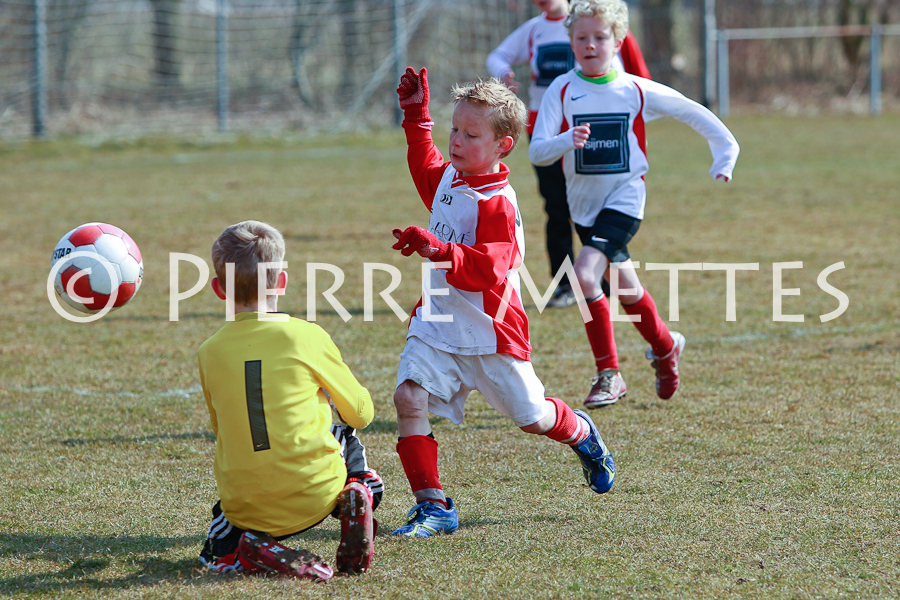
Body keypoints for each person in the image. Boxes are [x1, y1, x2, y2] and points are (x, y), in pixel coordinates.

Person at [388, 66, 615, 538]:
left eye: (471, 134)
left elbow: (491, 269)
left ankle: (582, 433)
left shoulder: (499, 202)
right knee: (408, 397)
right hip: (438, 321)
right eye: (454, 129)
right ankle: (434, 506)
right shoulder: (453, 176)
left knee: (533, 419)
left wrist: (439, 249)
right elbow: (425, 167)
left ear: (502, 145)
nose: (456, 140)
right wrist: (416, 118)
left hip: (492, 332)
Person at [529, 0, 740, 408]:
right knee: (627, 289)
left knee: (586, 276)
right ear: (570, 42)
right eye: (581, 38)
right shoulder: (562, 89)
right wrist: (563, 141)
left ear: (619, 41)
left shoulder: (633, 89)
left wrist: (724, 156)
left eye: (600, 37)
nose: (591, 45)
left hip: (626, 199)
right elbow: (538, 151)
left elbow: (694, 113)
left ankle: (609, 374)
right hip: (583, 209)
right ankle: (665, 345)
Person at [196, 220, 384, 578]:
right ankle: (358, 488)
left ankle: (253, 549)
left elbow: (222, 431)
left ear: (219, 289)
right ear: (281, 281)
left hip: (247, 506)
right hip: (318, 491)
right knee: (345, 434)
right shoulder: (306, 336)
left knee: (213, 555)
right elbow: (360, 414)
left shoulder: (209, 352)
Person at [486, 0, 651, 308]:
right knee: (557, 208)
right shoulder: (535, 29)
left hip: (589, 133)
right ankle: (564, 285)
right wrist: (504, 73)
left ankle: (604, 279)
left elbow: (622, 80)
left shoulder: (592, 25)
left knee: (597, 207)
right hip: (547, 135)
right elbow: (497, 56)